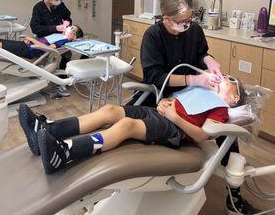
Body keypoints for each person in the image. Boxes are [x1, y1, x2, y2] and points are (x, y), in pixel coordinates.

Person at [139, 0, 259, 215]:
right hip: (166, 94)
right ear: (165, 18)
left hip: (196, 92)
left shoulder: (194, 30)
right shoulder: (153, 35)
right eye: (181, 22)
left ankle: (235, 201)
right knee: (140, 124)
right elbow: (153, 76)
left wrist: (208, 61)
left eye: (189, 20)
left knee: (229, 136)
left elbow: (200, 53)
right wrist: (193, 79)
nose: (187, 25)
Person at [18, 75, 244, 176]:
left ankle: (65, 153)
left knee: (127, 125)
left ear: (234, 98)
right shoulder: (202, 91)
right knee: (110, 110)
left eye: (228, 81)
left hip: (175, 129)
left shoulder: (220, 108)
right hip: (161, 113)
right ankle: (46, 129)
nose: (222, 78)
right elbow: (174, 101)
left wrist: (174, 116)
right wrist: (167, 102)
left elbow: (202, 136)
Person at [30, 0, 74, 70]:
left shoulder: (60, 5)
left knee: (67, 53)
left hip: (59, 37)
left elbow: (67, 15)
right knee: (47, 58)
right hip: (45, 39)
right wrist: (55, 28)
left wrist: (67, 22)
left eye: (62, 0)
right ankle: (43, 73)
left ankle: (63, 76)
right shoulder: (38, 8)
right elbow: (35, 28)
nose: (61, 2)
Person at [0, 25, 83, 59]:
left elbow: (49, 48)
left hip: (30, 51)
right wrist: (30, 38)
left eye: (72, 28)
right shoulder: (58, 35)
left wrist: (31, 39)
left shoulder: (63, 41)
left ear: (73, 36)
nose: (68, 27)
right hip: (27, 45)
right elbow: (42, 40)